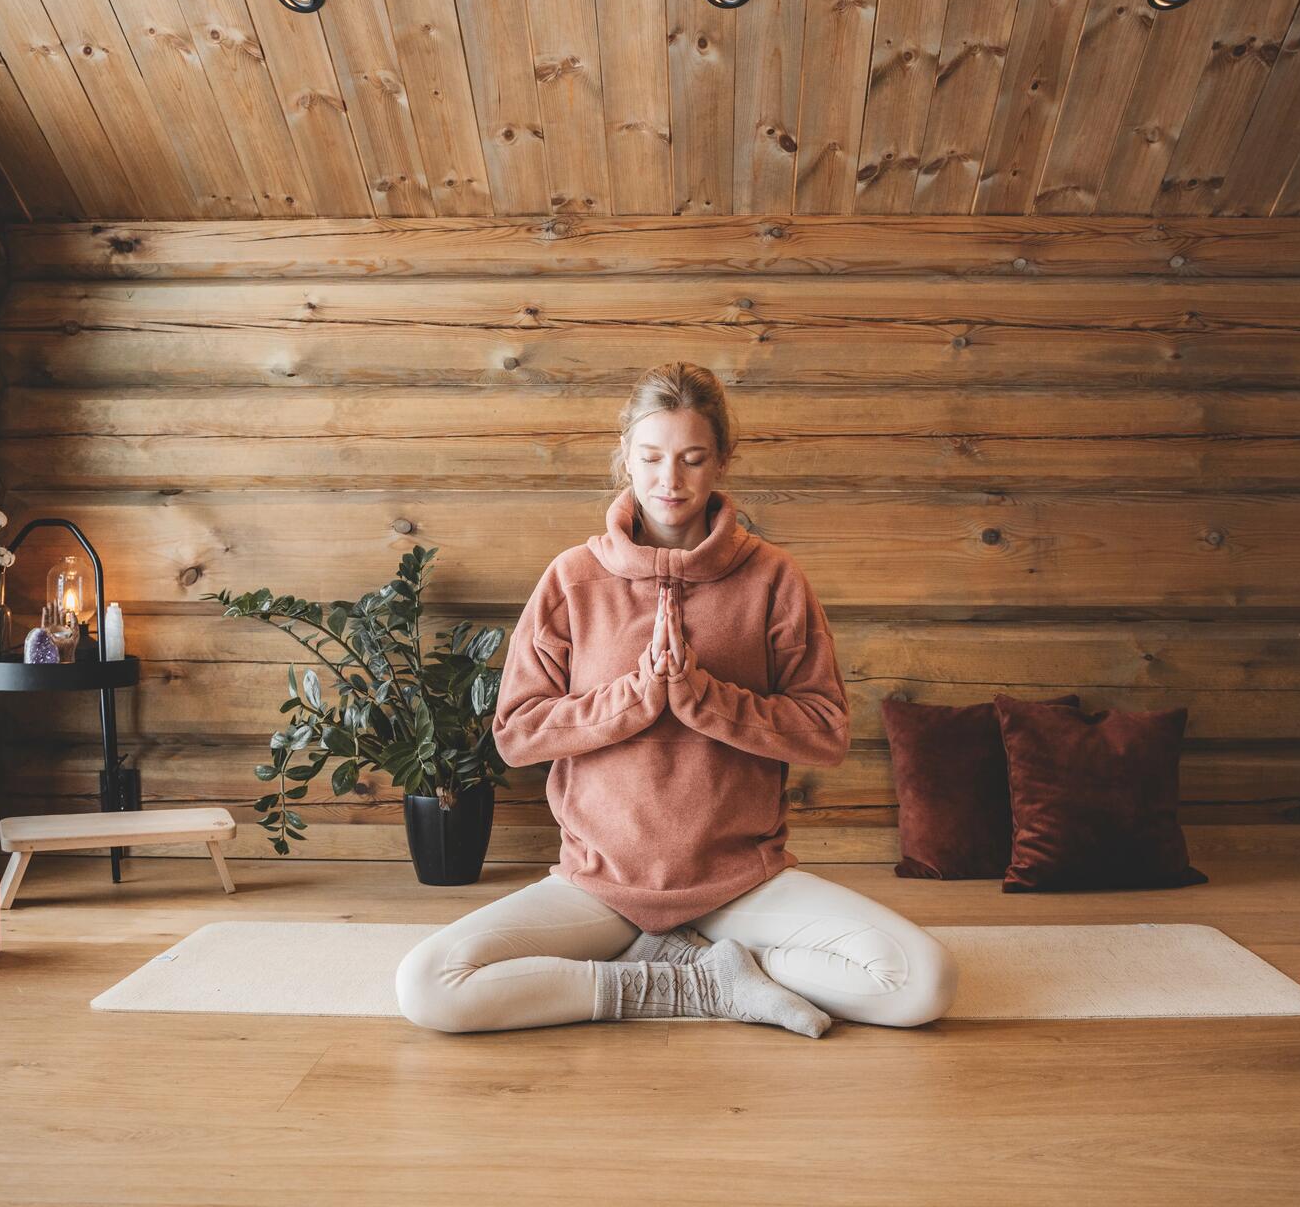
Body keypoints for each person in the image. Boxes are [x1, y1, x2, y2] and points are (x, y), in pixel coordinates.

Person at [394, 363, 958, 1036]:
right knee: (428, 985)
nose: (671, 480)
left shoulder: (775, 579)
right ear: (625, 458)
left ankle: (720, 961)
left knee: (924, 981)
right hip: (598, 887)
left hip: (743, 884)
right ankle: (686, 982)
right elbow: (517, 732)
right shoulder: (573, 577)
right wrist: (636, 699)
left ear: (721, 461)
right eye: (652, 457)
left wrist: (706, 699)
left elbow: (825, 732)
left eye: (692, 459)